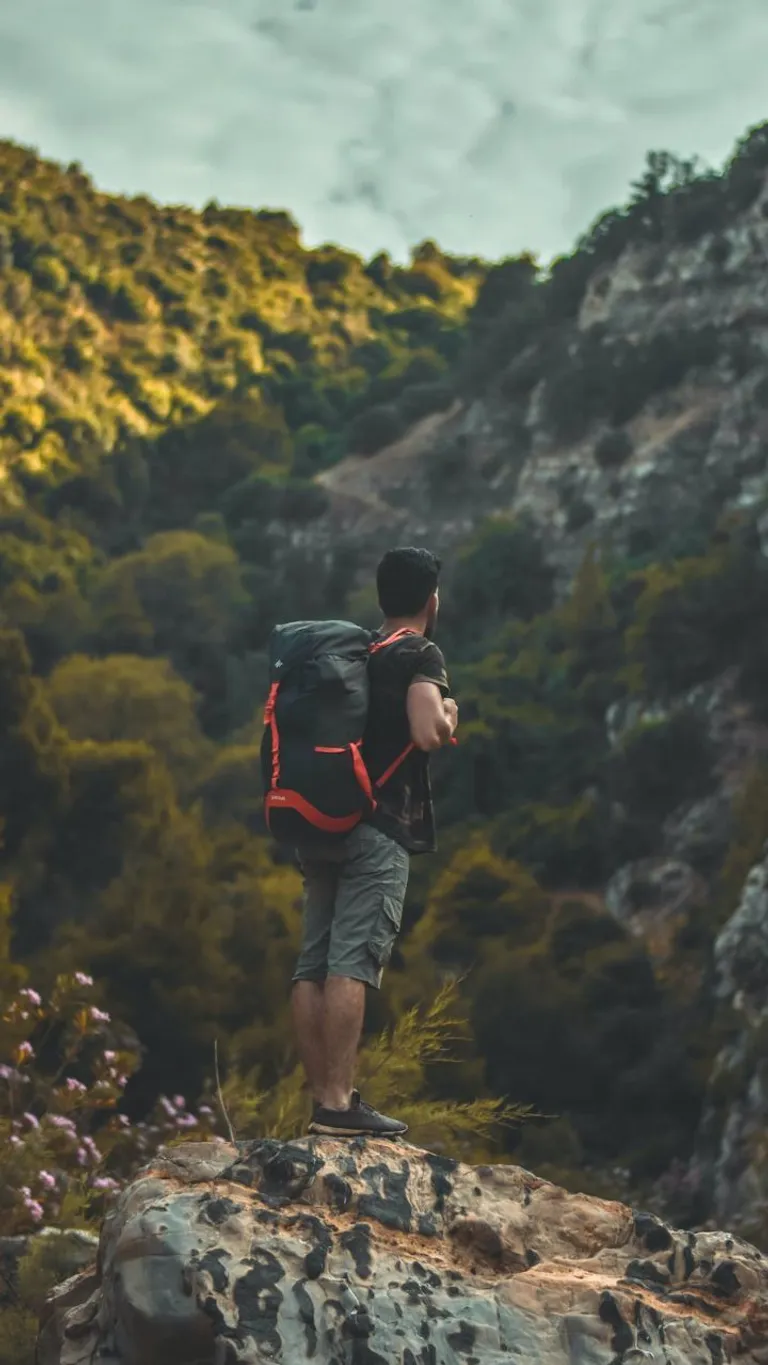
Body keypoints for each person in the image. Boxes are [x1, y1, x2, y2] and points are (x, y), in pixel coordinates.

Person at [290, 547, 458, 1137]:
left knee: (312, 962)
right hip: (377, 826)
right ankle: (338, 1106)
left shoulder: (353, 648)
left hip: (318, 820)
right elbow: (426, 730)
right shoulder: (421, 652)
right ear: (430, 600)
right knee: (351, 964)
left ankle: (323, 1101)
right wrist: (450, 716)